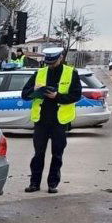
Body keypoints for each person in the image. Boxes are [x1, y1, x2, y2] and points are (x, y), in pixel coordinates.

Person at [20, 47, 82, 194]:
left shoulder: (71, 73)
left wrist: (57, 96)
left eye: (53, 62)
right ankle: (34, 183)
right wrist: (35, 91)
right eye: (48, 63)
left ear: (60, 58)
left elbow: (76, 95)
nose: (50, 65)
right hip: (41, 120)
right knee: (38, 154)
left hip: (59, 121)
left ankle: (52, 183)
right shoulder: (39, 73)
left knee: (57, 154)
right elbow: (24, 94)